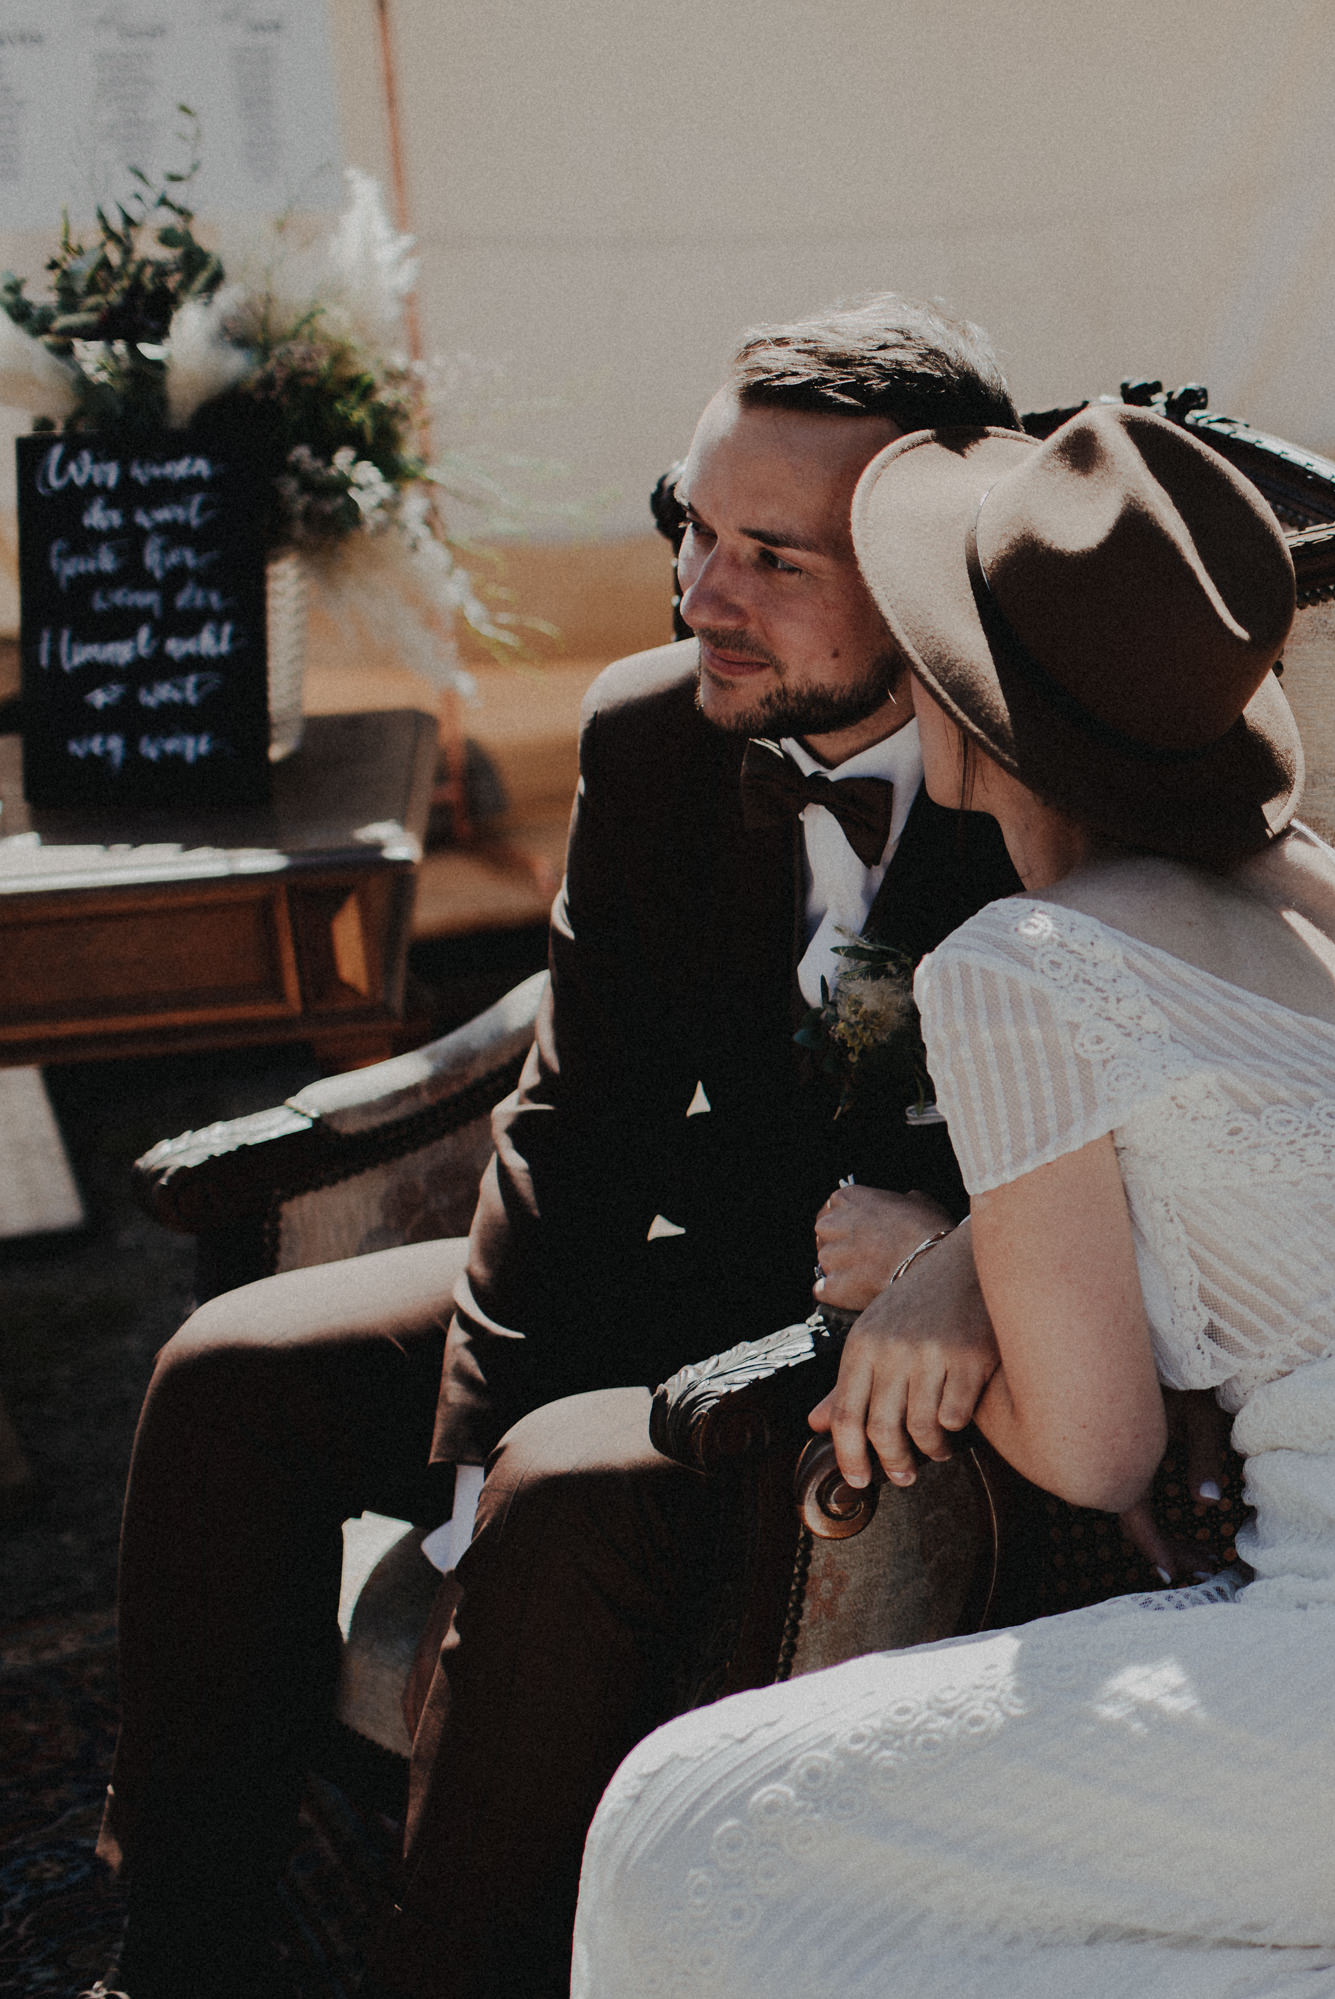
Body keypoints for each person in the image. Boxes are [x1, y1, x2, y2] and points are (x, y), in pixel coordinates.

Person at [567, 406, 1335, 1998]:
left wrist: (905, 1272)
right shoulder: (1322, 891)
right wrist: (965, 1262)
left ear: (971, 697)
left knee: (684, 1823)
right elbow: (1271, 1220)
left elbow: (1097, 1452)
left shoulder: (1025, 966)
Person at [101, 296, 1032, 1999]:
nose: (700, 598)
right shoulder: (652, 733)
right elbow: (576, 1113)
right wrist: (471, 1434)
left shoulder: (1055, 774)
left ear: (919, 576)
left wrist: (953, 1242)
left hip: (939, 1351)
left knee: (573, 1493)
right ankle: (184, 1946)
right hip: (718, 1263)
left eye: (774, 557)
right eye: (690, 525)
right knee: (231, 1367)